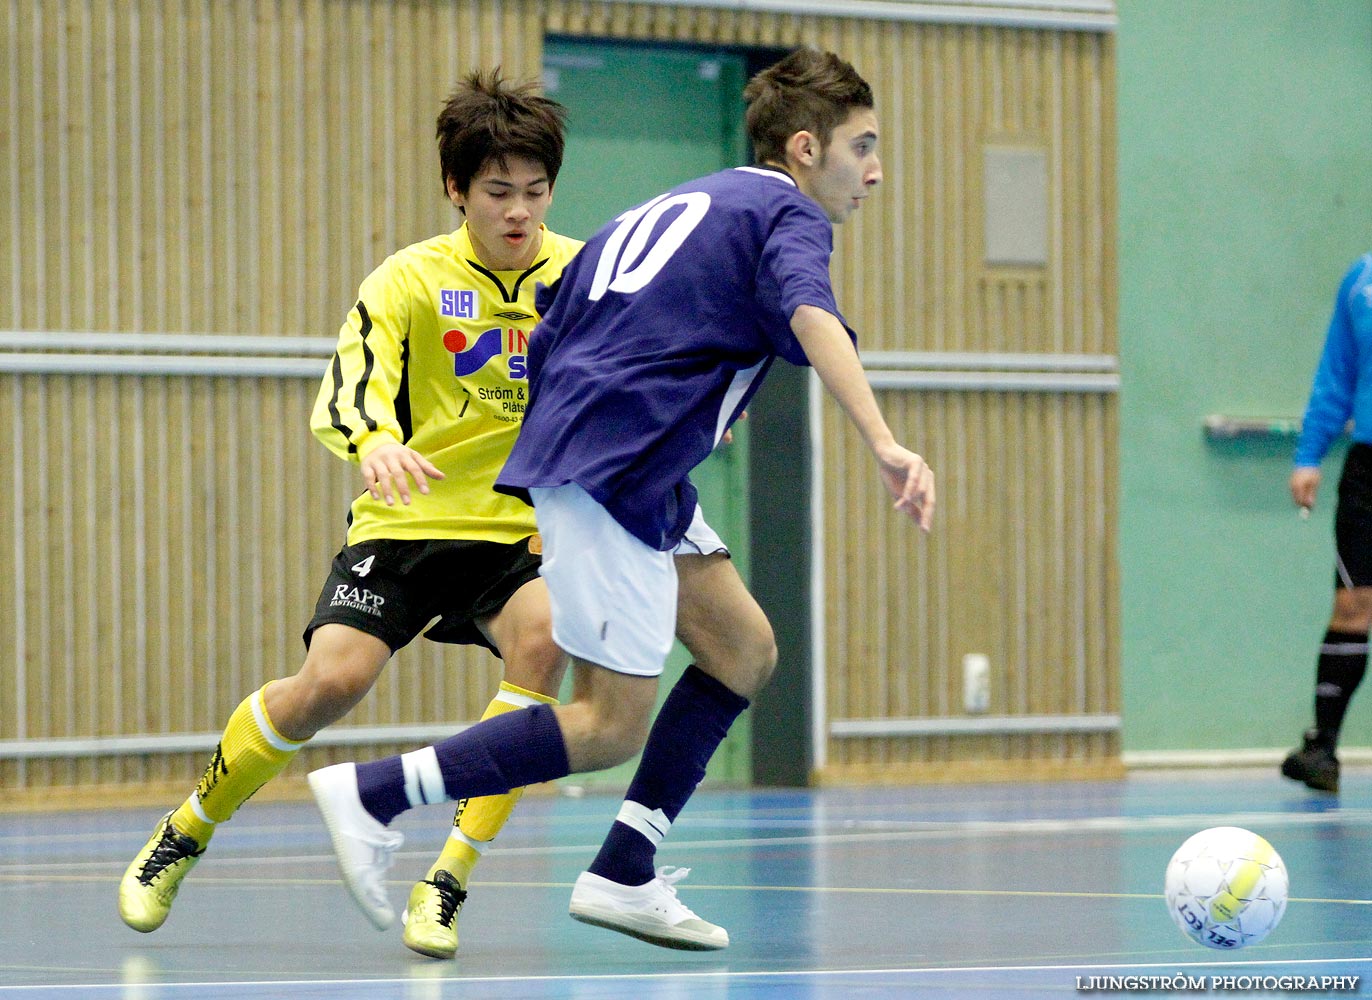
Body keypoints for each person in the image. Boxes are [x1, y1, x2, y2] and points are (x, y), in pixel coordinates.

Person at [307, 47, 936, 951]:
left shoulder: (687, 202)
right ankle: (372, 796)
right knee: (608, 724)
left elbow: (561, 325)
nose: (874, 169)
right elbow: (811, 314)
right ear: (805, 148)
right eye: (862, 146)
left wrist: (660, 410)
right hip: (614, 472)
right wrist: (882, 440)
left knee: (744, 650)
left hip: (626, 464)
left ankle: (625, 868)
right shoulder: (791, 217)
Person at [117, 69, 585, 960]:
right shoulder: (409, 280)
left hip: (519, 531)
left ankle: (446, 880)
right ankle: (186, 828)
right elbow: (348, 393)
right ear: (456, 189)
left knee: (544, 647)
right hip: (407, 520)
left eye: (534, 192)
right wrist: (374, 442)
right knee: (329, 683)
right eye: (497, 193)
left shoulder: (582, 276)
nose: (518, 212)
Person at [1282, 252, 1372, 795]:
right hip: (1368, 468)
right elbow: (1337, 371)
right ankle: (1322, 749)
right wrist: (1309, 453)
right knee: (1352, 603)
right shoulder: (1361, 280)